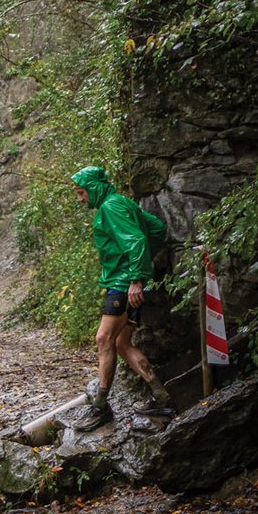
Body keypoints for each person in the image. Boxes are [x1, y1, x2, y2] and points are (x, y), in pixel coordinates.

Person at [70, 166, 175, 432]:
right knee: (121, 343)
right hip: (127, 282)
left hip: (122, 284)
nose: (80, 199)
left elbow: (136, 240)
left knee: (103, 339)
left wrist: (135, 278)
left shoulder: (110, 207)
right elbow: (156, 229)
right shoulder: (121, 202)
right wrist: (140, 270)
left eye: (82, 193)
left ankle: (100, 407)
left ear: (93, 188)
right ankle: (160, 397)